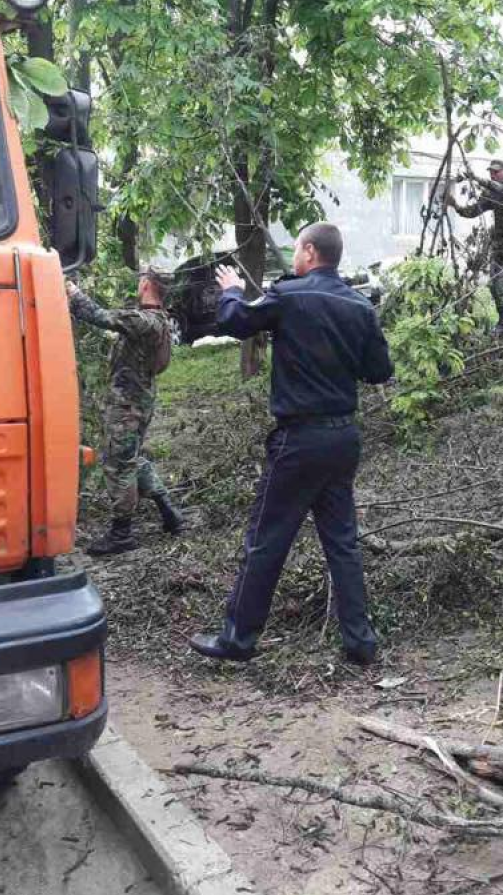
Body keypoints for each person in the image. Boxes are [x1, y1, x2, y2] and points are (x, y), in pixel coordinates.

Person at [189, 223, 394, 668]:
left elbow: (234, 321)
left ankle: (237, 639)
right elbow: (379, 371)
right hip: (343, 437)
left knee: (266, 539)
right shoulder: (360, 307)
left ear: (309, 252)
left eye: (297, 248)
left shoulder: (289, 295)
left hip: (299, 440)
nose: (294, 256)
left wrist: (231, 290)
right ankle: (361, 642)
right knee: (342, 542)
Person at [66, 272, 183, 556]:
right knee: (130, 458)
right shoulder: (158, 321)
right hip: (138, 401)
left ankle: (122, 533)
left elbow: (100, 315)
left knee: (118, 466)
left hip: (127, 405)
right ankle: (169, 512)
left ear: (146, 285)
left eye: (141, 278)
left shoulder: (144, 321)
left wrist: (72, 292)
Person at [445, 158, 503, 337]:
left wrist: (475, 178)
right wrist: (455, 205)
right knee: (494, 282)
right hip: (498, 241)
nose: (493, 174)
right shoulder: (490, 194)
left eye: (496, 172)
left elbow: (502, 190)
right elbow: (473, 211)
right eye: (491, 172)